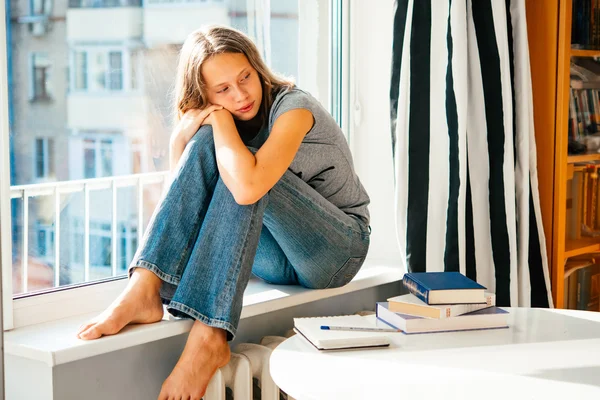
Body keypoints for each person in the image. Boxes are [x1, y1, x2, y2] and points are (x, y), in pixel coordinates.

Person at [75, 25, 371, 399]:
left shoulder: (295, 108)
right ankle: (145, 286)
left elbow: (248, 187)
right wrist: (180, 139)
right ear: (205, 95)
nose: (241, 94)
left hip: (336, 251)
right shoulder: (226, 124)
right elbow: (187, 200)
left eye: (245, 77)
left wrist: (217, 122)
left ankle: (209, 336)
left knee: (243, 171)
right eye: (223, 90)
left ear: (257, 67)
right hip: (280, 259)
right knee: (219, 152)